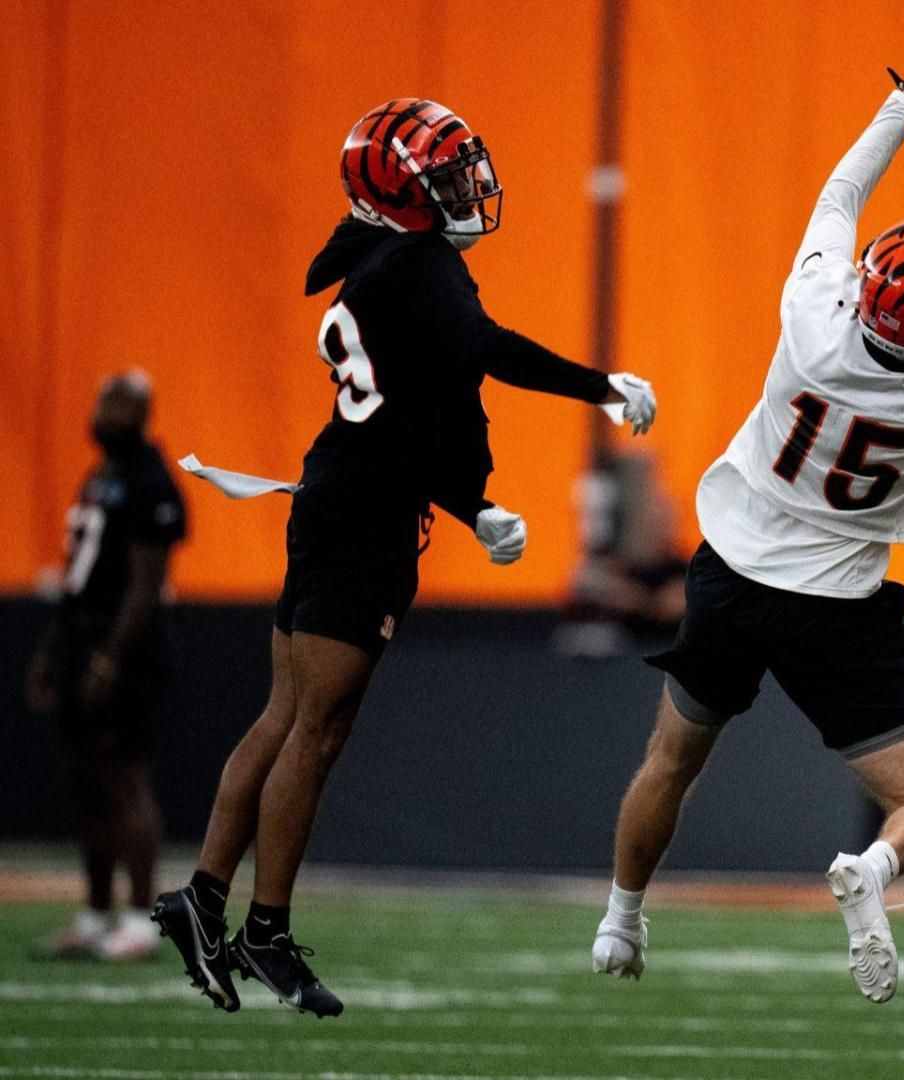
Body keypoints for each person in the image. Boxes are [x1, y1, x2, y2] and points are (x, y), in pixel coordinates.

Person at [150, 98, 660, 1017]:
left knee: (284, 716)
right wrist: (601, 387)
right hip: (362, 524)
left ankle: (202, 898)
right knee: (317, 730)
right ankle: (261, 929)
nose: (469, 188)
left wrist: (472, 506)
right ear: (404, 192)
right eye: (450, 176)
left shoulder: (376, 262)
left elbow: (418, 407)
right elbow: (482, 354)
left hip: (337, 501)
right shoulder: (417, 264)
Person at [588, 13, 904, 1004]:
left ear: (867, 288)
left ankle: (621, 919)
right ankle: (870, 873)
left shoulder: (810, 316)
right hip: (834, 602)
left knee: (671, 759)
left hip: (732, 571)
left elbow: (844, 193)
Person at [26, 372, 186, 963]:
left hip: (124, 649)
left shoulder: (148, 479)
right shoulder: (103, 474)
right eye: (101, 399)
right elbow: (79, 574)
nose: (102, 411)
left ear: (141, 411)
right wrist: (53, 649)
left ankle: (142, 923)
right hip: (82, 639)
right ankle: (96, 914)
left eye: (116, 402)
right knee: (84, 779)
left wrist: (110, 654)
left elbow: (145, 582)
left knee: (124, 778)